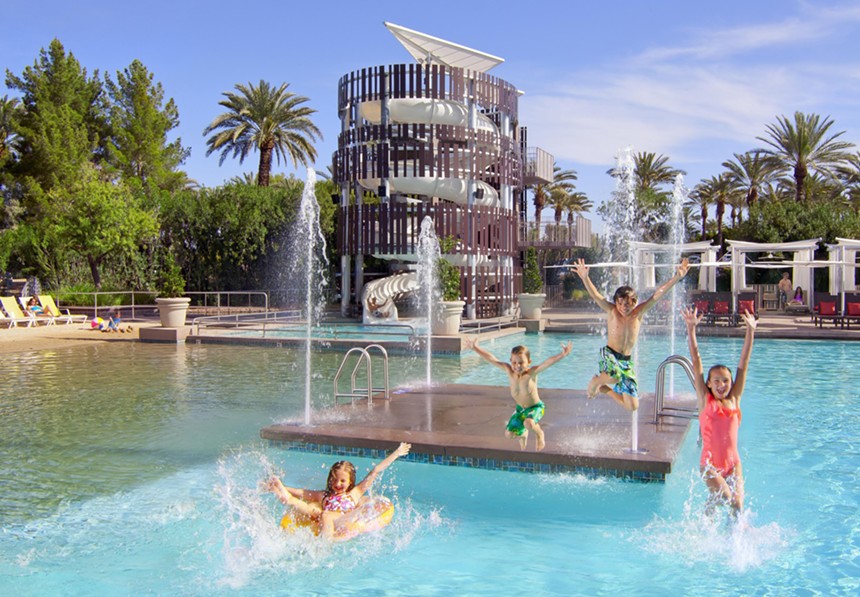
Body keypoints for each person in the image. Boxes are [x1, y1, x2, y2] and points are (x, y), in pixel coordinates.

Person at [572, 257, 690, 411]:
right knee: (613, 377)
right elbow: (596, 296)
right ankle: (596, 381)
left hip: (626, 362)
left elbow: (658, 294)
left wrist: (677, 277)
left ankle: (605, 389)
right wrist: (585, 278)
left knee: (632, 406)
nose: (623, 307)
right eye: (620, 303)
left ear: (634, 302)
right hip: (610, 355)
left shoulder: (638, 313)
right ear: (615, 303)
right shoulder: (612, 312)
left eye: (627, 303)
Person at [681, 306, 756, 516]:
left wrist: (751, 331)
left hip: (734, 464)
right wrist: (691, 329)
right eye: (717, 381)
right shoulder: (705, 400)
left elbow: (744, 363)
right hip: (709, 465)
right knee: (726, 497)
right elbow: (696, 361)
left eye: (726, 381)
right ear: (709, 384)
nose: (722, 384)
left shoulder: (734, 399)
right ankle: (708, 513)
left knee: (738, 506)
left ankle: (730, 539)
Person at [265, 442, 411, 539]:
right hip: (323, 518)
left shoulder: (354, 493)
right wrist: (284, 487)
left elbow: (375, 471)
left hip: (343, 519)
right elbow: (302, 493)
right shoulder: (324, 495)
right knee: (308, 508)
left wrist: (396, 453)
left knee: (326, 515)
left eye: (342, 481)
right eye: (334, 480)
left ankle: (324, 545)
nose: (337, 484)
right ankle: (280, 492)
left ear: (350, 482)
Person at [464, 337, 572, 451]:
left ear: (529, 362)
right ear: (510, 361)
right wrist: (475, 348)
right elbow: (492, 359)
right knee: (509, 434)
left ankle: (540, 434)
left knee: (529, 423)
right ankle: (523, 434)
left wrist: (562, 355)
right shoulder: (509, 371)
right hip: (520, 409)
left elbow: (547, 363)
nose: (517, 366)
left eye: (521, 362)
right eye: (514, 362)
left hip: (536, 408)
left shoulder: (531, 373)